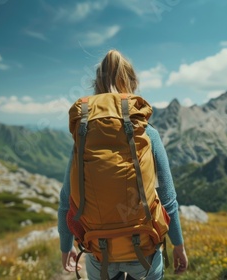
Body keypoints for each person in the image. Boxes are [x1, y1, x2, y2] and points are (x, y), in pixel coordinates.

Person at [57, 49, 188, 279]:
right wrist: (178, 245)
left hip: (99, 249)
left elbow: (67, 200)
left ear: (96, 84)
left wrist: (66, 247)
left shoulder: (84, 134)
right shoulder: (146, 132)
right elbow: (168, 197)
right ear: (131, 82)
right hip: (144, 247)